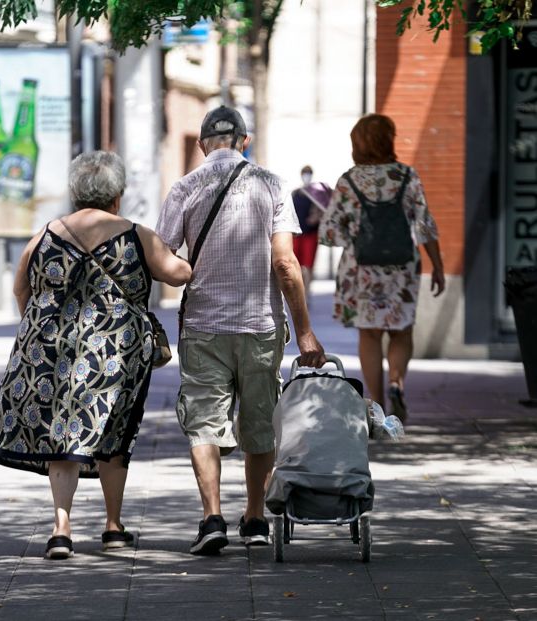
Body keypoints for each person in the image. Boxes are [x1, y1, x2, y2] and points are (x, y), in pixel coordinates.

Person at [0, 151, 191, 559]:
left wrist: (40, 328)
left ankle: (61, 529)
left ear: (75, 193)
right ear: (118, 195)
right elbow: (178, 273)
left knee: (62, 435)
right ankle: (113, 527)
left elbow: (21, 287)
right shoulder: (135, 233)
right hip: (117, 352)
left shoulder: (45, 233)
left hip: (53, 349)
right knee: (115, 432)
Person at [156, 106, 325, 556]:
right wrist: (305, 331)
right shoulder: (271, 185)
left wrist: (186, 274)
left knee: (204, 424)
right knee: (259, 423)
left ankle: (211, 517)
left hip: (203, 327)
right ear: (245, 141)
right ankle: (254, 519)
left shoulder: (184, 188)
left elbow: (164, 258)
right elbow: (286, 263)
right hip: (260, 326)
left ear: (202, 144)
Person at [319, 114, 445, 422]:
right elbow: (425, 224)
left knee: (370, 335)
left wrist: (354, 235)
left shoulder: (349, 181)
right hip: (401, 267)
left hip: (362, 270)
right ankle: (396, 383)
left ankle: (376, 407)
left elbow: (328, 232)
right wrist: (438, 266)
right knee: (401, 331)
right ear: (388, 140)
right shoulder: (406, 176)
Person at [292, 165, 332, 298]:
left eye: (308, 173)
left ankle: (306, 293)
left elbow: (324, 210)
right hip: (297, 234)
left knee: (308, 266)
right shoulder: (296, 193)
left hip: (310, 234)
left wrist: (315, 218)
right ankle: (299, 291)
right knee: (296, 265)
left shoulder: (317, 193)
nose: (306, 175)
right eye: (305, 173)